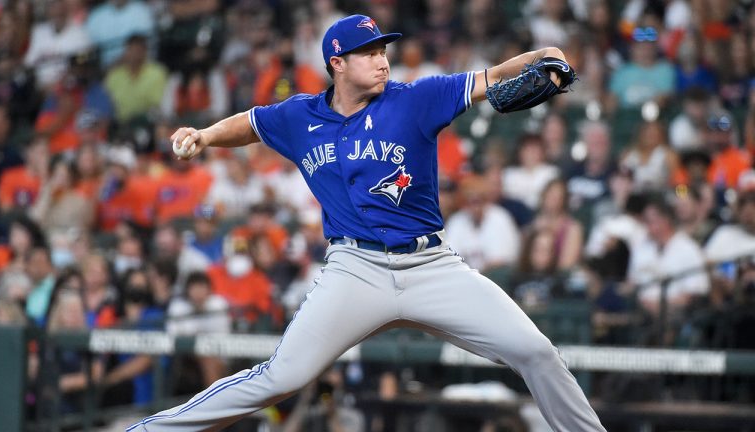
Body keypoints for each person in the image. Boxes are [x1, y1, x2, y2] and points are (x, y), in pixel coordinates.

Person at [130, 14, 604, 431]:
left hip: (431, 265)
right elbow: (251, 124)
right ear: (337, 62)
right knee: (283, 377)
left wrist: (547, 54)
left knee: (536, 352)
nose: (382, 61)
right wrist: (206, 135)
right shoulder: (300, 116)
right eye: (368, 53)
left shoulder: (416, 99)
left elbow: (493, 76)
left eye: (383, 50)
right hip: (354, 269)